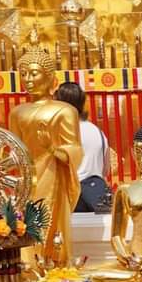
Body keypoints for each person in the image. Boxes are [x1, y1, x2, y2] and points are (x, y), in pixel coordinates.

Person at [55, 81, 111, 213]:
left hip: (71, 198)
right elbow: (106, 168)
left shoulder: (62, 132)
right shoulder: (98, 132)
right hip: (96, 197)